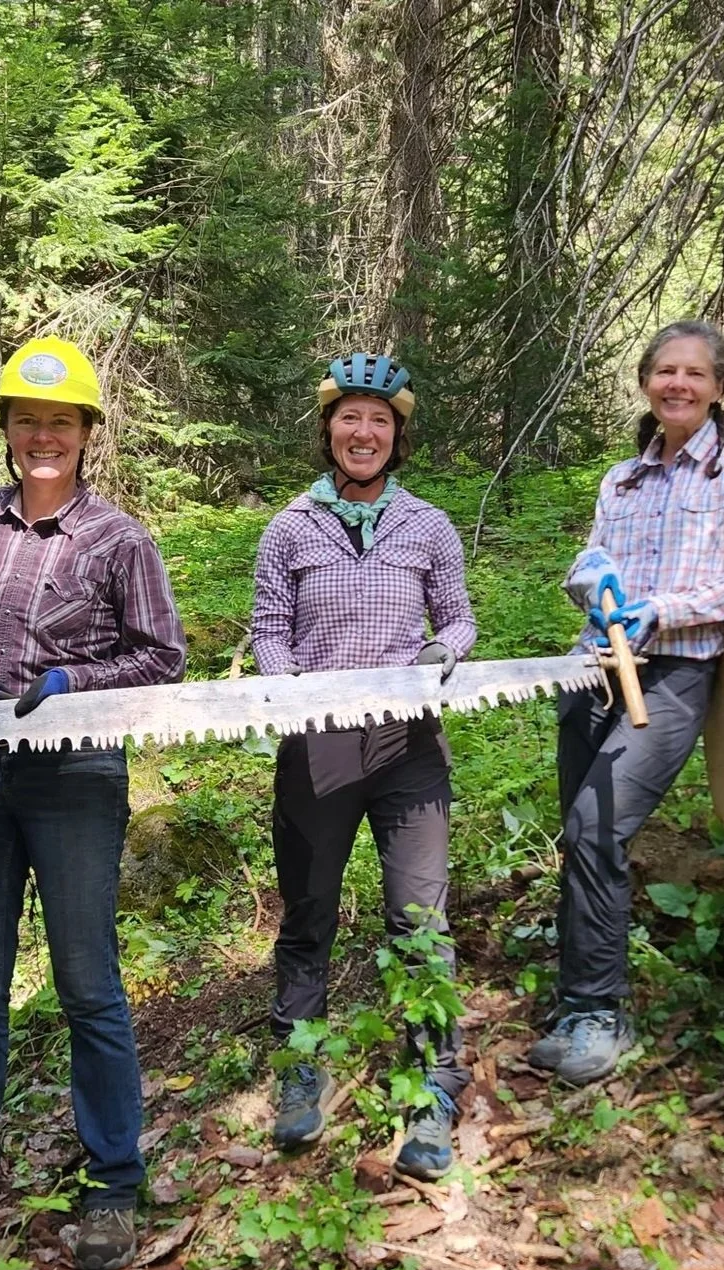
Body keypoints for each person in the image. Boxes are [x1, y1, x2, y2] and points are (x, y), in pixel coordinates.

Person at [0, 335, 186, 1270]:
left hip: (76, 778)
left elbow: (162, 656)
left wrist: (75, 680)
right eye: (27, 419)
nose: (41, 436)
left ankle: (112, 1179)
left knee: (88, 984)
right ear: (7, 427)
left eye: (59, 421)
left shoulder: (119, 539)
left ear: (86, 433)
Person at [531, 320, 724, 1085]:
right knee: (580, 839)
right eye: (665, 371)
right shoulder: (622, 478)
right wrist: (596, 580)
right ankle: (578, 1004)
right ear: (647, 382)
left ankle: (602, 1015)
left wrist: (662, 609)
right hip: (595, 673)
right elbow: (588, 561)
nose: (678, 383)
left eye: (695, 373)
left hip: (675, 672)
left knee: (596, 826)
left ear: (719, 388)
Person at [251, 354, 477, 1179]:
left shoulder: (429, 525)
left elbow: (459, 620)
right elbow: (269, 627)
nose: (364, 432)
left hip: (409, 748)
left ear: (398, 436)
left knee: (420, 920)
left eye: (379, 420)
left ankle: (431, 1087)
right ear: (328, 429)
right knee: (307, 912)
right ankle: (299, 1068)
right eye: (350, 417)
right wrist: (292, 691)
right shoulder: (290, 528)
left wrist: (436, 653)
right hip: (318, 747)